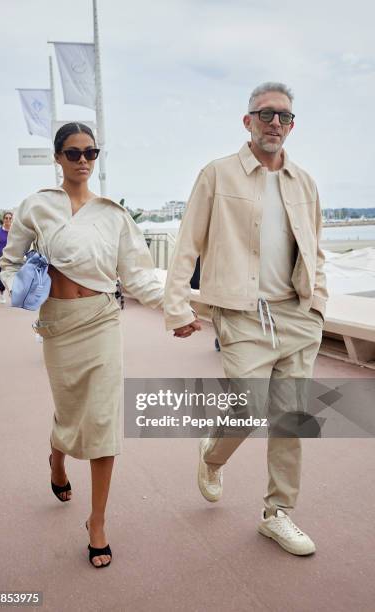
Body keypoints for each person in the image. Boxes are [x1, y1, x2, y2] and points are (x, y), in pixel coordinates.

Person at [164, 82, 327, 556]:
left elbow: (316, 252)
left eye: (285, 117)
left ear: (292, 126)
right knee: (249, 409)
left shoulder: (306, 183)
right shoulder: (217, 175)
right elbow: (187, 244)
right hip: (242, 318)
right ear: (248, 121)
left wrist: (319, 305)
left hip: (297, 317)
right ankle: (212, 455)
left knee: (291, 419)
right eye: (266, 115)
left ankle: (278, 514)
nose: (276, 124)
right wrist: (177, 307)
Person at [0, 122, 163, 568]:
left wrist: (178, 310)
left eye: (91, 152)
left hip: (102, 320)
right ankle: (57, 458)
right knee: (71, 412)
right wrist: (18, 288)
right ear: (58, 158)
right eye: (73, 154)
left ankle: (97, 522)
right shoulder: (37, 206)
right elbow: (10, 261)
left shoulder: (113, 213)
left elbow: (139, 273)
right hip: (58, 323)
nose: (84, 161)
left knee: (104, 420)